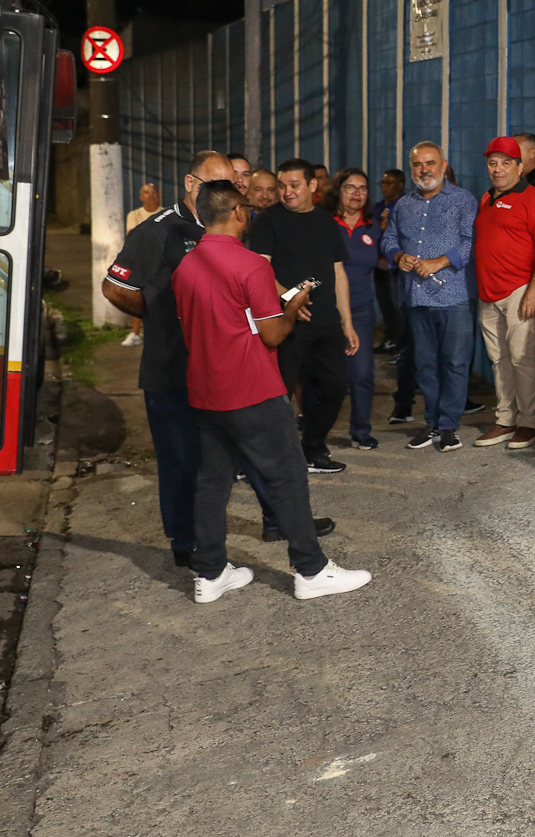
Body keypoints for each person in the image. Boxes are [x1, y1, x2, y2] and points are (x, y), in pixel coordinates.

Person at [102, 150, 334, 567]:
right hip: (172, 368)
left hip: (219, 369)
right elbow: (115, 288)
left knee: (229, 460)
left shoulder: (215, 231)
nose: (236, 187)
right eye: (223, 180)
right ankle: (188, 544)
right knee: (187, 464)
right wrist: (162, 319)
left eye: (236, 179)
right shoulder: (158, 232)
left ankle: (274, 523)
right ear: (193, 184)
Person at [173, 179, 371, 603]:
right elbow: (272, 335)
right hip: (252, 388)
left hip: (206, 391)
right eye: (246, 209)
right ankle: (311, 569)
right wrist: (293, 307)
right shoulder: (250, 265)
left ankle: (209, 575)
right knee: (288, 477)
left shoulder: (186, 265)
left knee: (212, 482)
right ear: (237, 213)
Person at [250, 159, 361, 474]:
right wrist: (290, 299)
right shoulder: (268, 222)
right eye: (282, 186)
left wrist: (347, 322)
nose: (286, 193)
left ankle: (313, 448)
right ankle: (261, 459)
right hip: (287, 324)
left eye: (293, 185)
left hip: (327, 322)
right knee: (279, 394)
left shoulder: (327, 222)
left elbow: (338, 273)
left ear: (313, 186)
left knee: (334, 386)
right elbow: (260, 269)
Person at [383, 141, 478, 453]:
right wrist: (397, 256)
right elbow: (389, 238)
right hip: (417, 297)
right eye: (418, 165)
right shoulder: (403, 205)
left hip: (453, 296)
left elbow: (469, 242)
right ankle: (433, 423)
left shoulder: (463, 200)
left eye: (430, 163)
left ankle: (449, 425)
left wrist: (439, 261)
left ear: (443, 164)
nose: (424, 170)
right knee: (425, 366)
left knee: (454, 363)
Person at [473, 136, 535, 450]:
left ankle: (528, 423)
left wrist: (533, 290)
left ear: (519, 166)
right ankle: (505, 420)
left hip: (519, 290)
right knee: (499, 361)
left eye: (505, 163)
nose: (498, 169)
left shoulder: (533, 198)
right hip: (488, 293)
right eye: (493, 163)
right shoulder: (486, 198)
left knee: (522, 360)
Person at [327, 168, 383, 451]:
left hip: (360, 312)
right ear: (338, 190)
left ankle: (360, 429)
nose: (357, 193)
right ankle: (315, 433)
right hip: (325, 310)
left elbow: (384, 259)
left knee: (361, 374)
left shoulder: (372, 226)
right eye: (350, 187)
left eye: (362, 188)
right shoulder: (324, 223)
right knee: (326, 377)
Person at [122, 183, 163, 345]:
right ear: (141, 197)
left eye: (154, 193)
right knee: (137, 296)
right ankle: (135, 333)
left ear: (159, 196)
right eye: (146, 193)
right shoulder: (134, 215)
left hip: (162, 262)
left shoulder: (167, 214)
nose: (151, 195)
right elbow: (133, 237)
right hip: (141, 262)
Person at [375, 168, 407, 355]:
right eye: (383, 183)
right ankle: (390, 339)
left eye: (390, 183)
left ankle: (399, 346)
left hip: (394, 266)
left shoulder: (403, 206)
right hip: (377, 264)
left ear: (400, 185)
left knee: (398, 308)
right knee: (385, 305)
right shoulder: (379, 207)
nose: (385, 187)